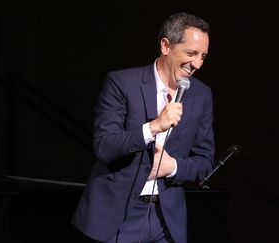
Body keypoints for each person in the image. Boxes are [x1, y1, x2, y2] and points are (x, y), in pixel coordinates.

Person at [72, 12, 215, 243]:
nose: (197, 63)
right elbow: (104, 147)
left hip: (166, 220)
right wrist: (154, 126)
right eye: (191, 53)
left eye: (203, 56)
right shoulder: (122, 83)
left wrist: (173, 167)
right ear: (166, 46)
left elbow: (205, 162)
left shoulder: (201, 95)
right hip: (119, 218)